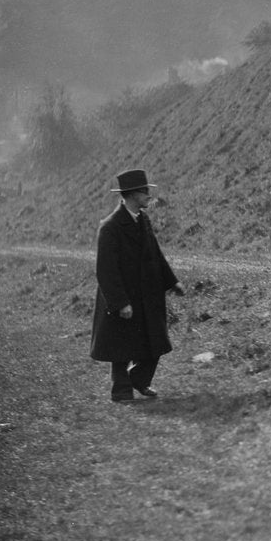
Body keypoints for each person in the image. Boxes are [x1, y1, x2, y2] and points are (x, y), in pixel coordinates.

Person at [90, 169, 184, 403]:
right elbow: (106, 270)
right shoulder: (110, 226)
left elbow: (155, 254)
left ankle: (139, 380)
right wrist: (120, 303)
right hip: (122, 296)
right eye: (145, 191)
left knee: (156, 340)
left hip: (147, 295)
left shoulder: (143, 220)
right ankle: (121, 391)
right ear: (132, 194)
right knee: (120, 347)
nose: (149, 195)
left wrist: (172, 282)